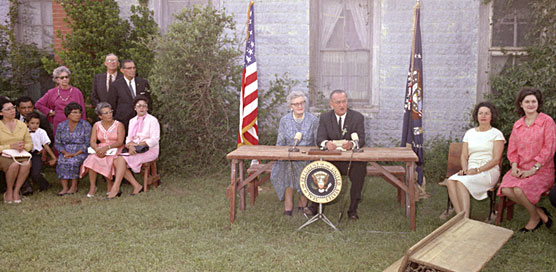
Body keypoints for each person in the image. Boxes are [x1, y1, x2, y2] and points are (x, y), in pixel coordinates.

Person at [498, 87, 556, 232]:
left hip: (542, 169)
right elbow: (513, 149)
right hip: (520, 168)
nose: (530, 104)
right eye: (527, 101)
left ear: (538, 103)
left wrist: (533, 169)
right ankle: (539, 212)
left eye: (533, 101)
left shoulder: (547, 122)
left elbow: (549, 149)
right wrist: (515, 166)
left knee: (518, 190)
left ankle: (534, 218)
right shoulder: (518, 125)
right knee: (505, 189)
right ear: (521, 104)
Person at [306, 90, 366, 220]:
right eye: (338, 102)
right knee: (316, 166)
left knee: (360, 169)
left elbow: (361, 139)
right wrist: (326, 143)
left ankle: (353, 209)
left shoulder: (357, 117)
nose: (342, 105)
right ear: (331, 104)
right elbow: (319, 139)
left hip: (350, 161)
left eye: (344, 101)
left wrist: (352, 144)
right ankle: (314, 207)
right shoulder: (325, 118)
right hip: (331, 160)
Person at [446, 102, 505, 218]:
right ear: (476, 116)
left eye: (487, 113)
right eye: (480, 113)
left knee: (462, 182)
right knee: (451, 181)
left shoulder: (497, 134)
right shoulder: (470, 133)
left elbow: (496, 160)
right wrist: (465, 170)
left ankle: (465, 218)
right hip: (471, 169)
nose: (483, 116)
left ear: (491, 116)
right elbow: (464, 156)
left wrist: (477, 170)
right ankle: (461, 217)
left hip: (488, 170)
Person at [270, 91, 318, 216]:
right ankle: (288, 204)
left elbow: (317, 142)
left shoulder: (313, 120)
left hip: (307, 158)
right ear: (291, 106)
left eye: (302, 103)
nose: (299, 106)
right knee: (285, 169)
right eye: (296, 104)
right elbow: (280, 142)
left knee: (307, 170)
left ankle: (303, 204)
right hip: (288, 157)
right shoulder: (284, 120)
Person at [107, 96, 157, 199]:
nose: (141, 108)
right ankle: (136, 185)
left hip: (149, 150)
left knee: (120, 160)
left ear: (147, 108)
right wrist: (130, 146)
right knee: (117, 160)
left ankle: (115, 188)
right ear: (135, 108)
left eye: (144, 106)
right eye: (139, 106)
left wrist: (137, 145)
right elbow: (128, 138)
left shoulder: (152, 120)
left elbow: (154, 140)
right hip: (134, 149)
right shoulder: (132, 121)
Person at [80, 102, 125, 198]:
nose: (109, 115)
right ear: (100, 116)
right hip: (100, 148)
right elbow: (92, 141)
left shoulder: (118, 125)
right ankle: (93, 186)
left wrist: (107, 148)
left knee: (108, 159)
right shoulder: (96, 125)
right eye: (106, 113)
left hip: (115, 148)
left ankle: (110, 184)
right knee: (92, 159)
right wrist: (97, 149)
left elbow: (120, 142)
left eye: (110, 112)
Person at [15, 96, 55, 195]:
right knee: (21, 165)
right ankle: (26, 187)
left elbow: (49, 136)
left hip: (37, 151)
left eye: (29, 107)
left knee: (35, 172)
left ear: (33, 107)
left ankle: (43, 184)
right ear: (18, 109)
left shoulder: (41, 119)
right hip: (20, 150)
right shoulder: (13, 119)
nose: (27, 110)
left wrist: (45, 151)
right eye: (23, 108)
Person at [36, 66, 87, 140]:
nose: (65, 79)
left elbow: (83, 111)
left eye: (67, 77)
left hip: (75, 124)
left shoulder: (77, 92)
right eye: (62, 77)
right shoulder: (51, 92)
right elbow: (38, 104)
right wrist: (49, 112)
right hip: (59, 124)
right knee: (60, 147)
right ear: (56, 80)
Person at [55, 102, 91, 196]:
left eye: (79, 112)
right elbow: (58, 143)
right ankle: (64, 188)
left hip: (80, 151)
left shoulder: (85, 125)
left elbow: (87, 143)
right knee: (61, 161)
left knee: (73, 161)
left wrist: (75, 154)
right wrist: (65, 152)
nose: (78, 115)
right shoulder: (61, 126)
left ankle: (74, 186)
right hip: (65, 151)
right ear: (68, 114)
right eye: (74, 112)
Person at [0, 97, 32, 204]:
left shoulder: (22, 125)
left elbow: (29, 143)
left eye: (13, 108)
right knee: (14, 165)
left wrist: (24, 146)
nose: (12, 111)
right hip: (3, 155)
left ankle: (16, 191)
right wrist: (10, 146)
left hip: (19, 153)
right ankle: (9, 191)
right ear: (1, 113)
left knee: (26, 163)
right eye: (8, 109)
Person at [107, 60, 151, 131]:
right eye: (129, 68)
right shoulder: (115, 85)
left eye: (134, 68)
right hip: (124, 123)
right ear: (122, 70)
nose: (132, 70)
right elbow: (112, 105)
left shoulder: (143, 83)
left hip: (143, 122)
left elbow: (149, 101)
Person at [25, 112, 57, 193]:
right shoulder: (23, 131)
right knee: (25, 171)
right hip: (26, 154)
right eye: (32, 123)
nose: (35, 125)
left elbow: (46, 145)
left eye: (37, 123)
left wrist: (53, 157)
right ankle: (27, 188)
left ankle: (45, 185)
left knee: (35, 173)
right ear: (27, 123)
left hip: (37, 154)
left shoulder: (41, 132)